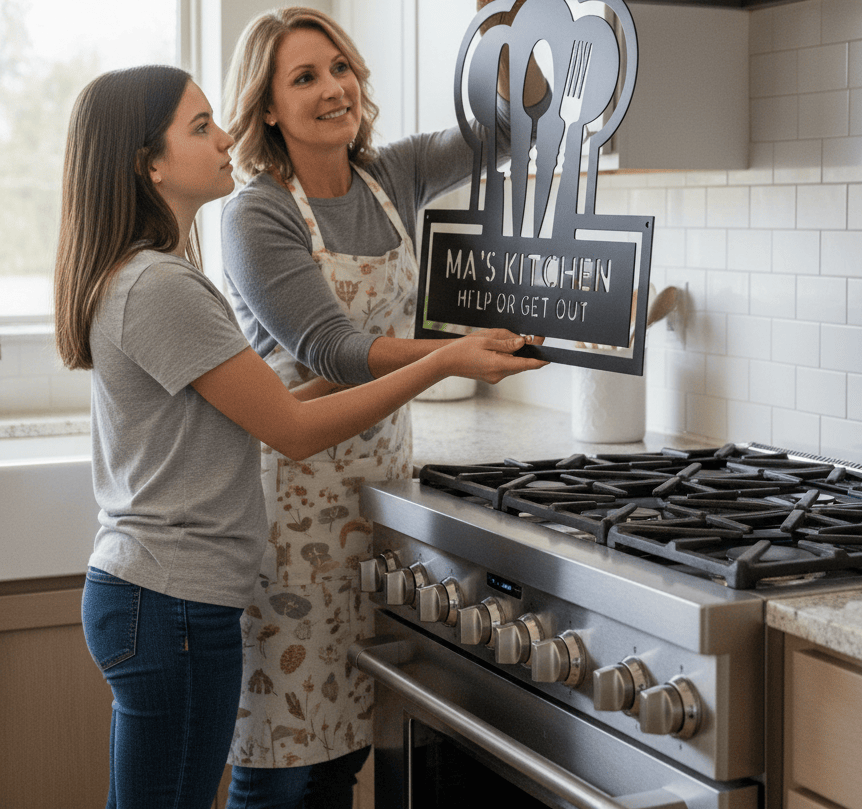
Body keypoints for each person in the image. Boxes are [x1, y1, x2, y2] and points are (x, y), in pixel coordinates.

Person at [53, 64, 545, 809]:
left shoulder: (145, 276)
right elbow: (290, 432)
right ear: (147, 163)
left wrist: (417, 359)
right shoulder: (160, 285)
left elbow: (262, 405)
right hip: (172, 603)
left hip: (153, 596)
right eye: (199, 127)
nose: (225, 140)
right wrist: (443, 357)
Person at [220, 0, 545, 808]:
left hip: (379, 502)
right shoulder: (257, 212)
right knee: (289, 763)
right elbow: (330, 347)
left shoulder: (389, 176)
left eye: (341, 68)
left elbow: (514, 125)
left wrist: (502, 32)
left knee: (353, 747)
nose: (334, 89)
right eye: (304, 78)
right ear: (266, 108)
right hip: (291, 509)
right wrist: (445, 354)